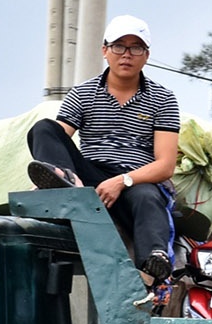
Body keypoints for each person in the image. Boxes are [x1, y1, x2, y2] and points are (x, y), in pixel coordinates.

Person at [27, 14, 180, 282]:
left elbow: (165, 165)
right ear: (105, 51)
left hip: (135, 180)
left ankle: (154, 257)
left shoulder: (163, 99)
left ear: (146, 55)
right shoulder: (83, 93)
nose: (127, 55)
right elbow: (58, 139)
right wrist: (54, 172)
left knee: (148, 197)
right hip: (89, 176)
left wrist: (122, 181)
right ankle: (64, 183)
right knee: (43, 128)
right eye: (119, 46)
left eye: (136, 48)